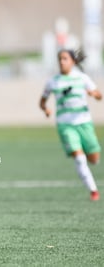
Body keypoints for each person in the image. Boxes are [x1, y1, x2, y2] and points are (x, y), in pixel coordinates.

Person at [39, 49, 102, 201]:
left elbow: (99, 95)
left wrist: (94, 94)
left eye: (65, 58)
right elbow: (42, 101)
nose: (62, 61)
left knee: (94, 159)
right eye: (60, 58)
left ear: (73, 61)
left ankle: (86, 157)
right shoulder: (53, 81)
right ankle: (93, 191)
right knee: (79, 159)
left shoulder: (82, 78)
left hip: (84, 123)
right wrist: (46, 109)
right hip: (65, 125)